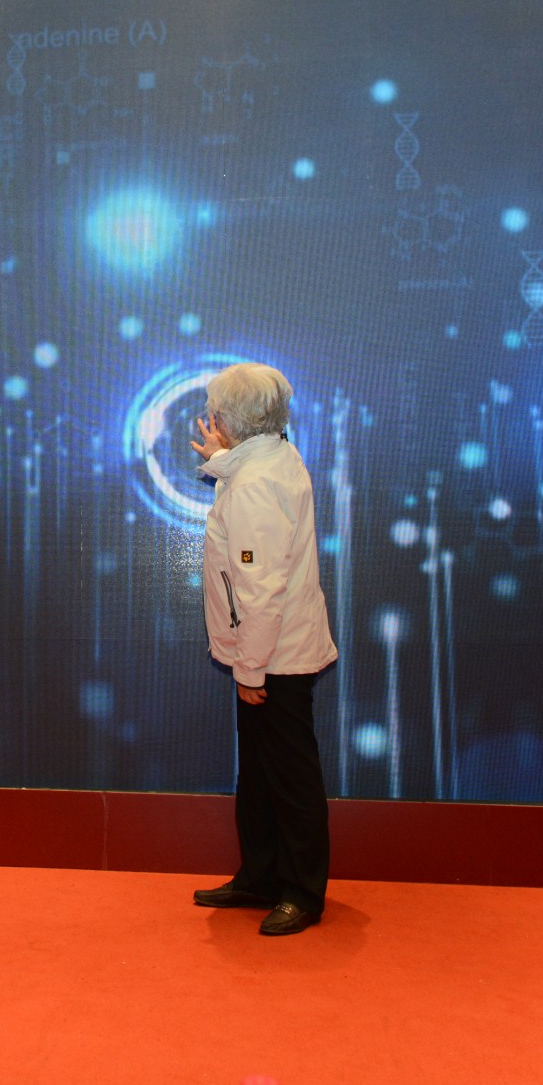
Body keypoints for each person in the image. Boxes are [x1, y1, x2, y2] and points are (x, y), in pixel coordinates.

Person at [186, 363, 339, 935]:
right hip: (269, 650)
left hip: (273, 656)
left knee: (288, 775)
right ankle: (261, 876)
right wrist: (223, 458)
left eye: (214, 411)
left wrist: (251, 669)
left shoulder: (254, 483)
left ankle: (301, 891)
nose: (209, 418)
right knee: (259, 772)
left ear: (228, 418)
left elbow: (259, 588)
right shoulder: (272, 457)